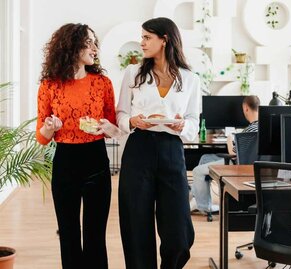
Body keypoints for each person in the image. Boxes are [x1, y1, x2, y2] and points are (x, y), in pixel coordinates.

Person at [116, 17, 200, 269]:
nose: (141, 42)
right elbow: (120, 114)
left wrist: (182, 125)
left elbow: (194, 120)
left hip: (172, 151)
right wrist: (133, 121)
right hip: (139, 149)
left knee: (178, 232)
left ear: (164, 40)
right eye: (141, 37)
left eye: (146, 37)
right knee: (136, 223)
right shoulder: (133, 73)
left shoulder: (190, 79)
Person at [36, 23, 119, 269]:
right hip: (65, 162)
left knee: (95, 234)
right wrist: (50, 127)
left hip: (96, 159)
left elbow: (112, 127)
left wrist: (105, 127)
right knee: (69, 233)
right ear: (71, 46)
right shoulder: (49, 85)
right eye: (89, 42)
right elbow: (41, 137)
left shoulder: (103, 83)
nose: (95, 48)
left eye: (95, 43)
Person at [190, 95, 260, 213]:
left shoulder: (248, 131)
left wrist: (229, 139)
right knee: (204, 158)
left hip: (237, 166)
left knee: (197, 171)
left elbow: (233, 153)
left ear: (246, 108)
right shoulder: (261, 127)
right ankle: (198, 198)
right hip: (252, 165)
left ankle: (205, 207)